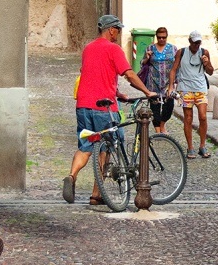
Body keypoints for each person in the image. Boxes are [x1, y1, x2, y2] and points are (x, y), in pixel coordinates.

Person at [63, 14, 156, 205]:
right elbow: (129, 74)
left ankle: (71, 176)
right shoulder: (114, 49)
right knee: (106, 147)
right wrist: (147, 91)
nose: (119, 34)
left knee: (85, 147)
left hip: (83, 105)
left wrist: (117, 92)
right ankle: (96, 194)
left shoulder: (88, 49)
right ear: (111, 30)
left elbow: (94, 74)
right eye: (118, 30)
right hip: (103, 108)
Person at [171, 30, 214, 159]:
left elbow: (211, 72)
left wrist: (206, 63)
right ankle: (190, 147)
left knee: (203, 116)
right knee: (188, 118)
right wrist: (170, 86)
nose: (196, 45)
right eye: (194, 43)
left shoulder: (204, 52)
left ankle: (202, 145)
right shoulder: (182, 52)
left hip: (200, 88)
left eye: (199, 43)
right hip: (185, 89)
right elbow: (174, 69)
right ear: (190, 41)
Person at [140, 26, 178, 132]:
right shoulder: (150, 48)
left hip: (168, 83)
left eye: (163, 37)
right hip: (153, 82)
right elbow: (142, 64)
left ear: (167, 37)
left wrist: (177, 81)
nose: (161, 39)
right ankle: (158, 130)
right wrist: (146, 58)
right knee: (155, 107)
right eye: (159, 37)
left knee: (169, 106)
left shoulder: (173, 49)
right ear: (156, 37)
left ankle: (162, 124)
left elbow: (177, 65)